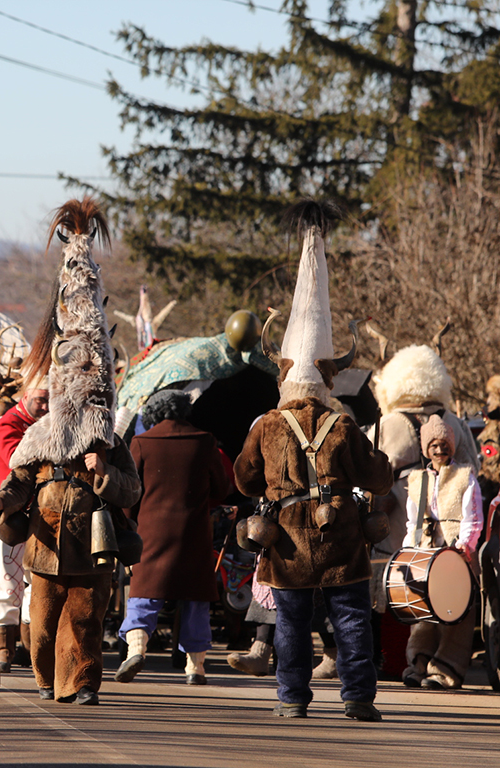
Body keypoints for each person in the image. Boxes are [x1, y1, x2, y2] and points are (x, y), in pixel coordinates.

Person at [234, 200, 393, 722]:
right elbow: (378, 476)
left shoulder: (266, 425)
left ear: (282, 376)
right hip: (341, 535)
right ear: (329, 380)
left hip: (286, 539)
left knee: (292, 623)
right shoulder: (344, 424)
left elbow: (243, 479)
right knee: (351, 621)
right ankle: (358, 698)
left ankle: (292, 700)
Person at [0, 198, 140, 706]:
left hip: (94, 541)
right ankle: (48, 678)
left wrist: (101, 475)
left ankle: (84, 683)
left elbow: (131, 488)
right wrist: (0, 502)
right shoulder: (38, 434)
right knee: (43, 626)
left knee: (87, 618)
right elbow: (18, 482)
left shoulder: (108, 438)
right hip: (45, 541)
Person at [115, 390, 228, 686]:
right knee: (196, 598)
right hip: (193, 532)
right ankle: (196, 668)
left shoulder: (141, 442)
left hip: (151, 531)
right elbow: (221, 488)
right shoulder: (205, 441)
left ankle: (136, 650)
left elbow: (130, 493)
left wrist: (128, 520)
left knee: (143, 593)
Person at [400, 415, 482, 689]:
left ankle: (447, 667)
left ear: (452, 446)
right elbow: (412, 520)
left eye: (444, 443)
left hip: (455, 551)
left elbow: (474, 517)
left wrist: (465, 546)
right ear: (426, 449)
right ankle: (419, 661)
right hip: (425, 550)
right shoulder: (417, 479)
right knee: (422, 610)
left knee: (455, 610)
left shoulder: (465, 476)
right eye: (433, 444)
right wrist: (408, 550)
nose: (439, 449)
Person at [0, 381, 49, 672]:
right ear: (25, 396)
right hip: (11, 516)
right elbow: (16, 460)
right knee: (10, 582)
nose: (46, 407)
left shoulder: (50, 422)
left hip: (45, 516)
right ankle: (3, 649)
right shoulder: (8, 423)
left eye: (51, 400)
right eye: (40, 400)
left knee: (37, 583)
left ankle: (28, 646)